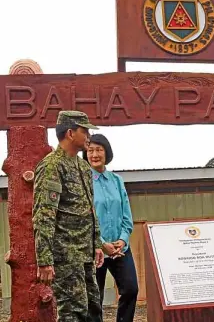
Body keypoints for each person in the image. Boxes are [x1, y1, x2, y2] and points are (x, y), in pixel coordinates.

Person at [32, 110, 104, 322]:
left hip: (86, 254)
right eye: (85, 131)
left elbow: (89, 209)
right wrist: (44, 260)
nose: (89, 136)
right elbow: (43, 214)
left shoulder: (82, 166)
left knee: (93, 312)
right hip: (65, 258)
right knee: (73, 315)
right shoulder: (51, 166)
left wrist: (97, 244)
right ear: (71, 133)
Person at [84, 134, 138, 322]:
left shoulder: (117, 180)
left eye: (99, 149)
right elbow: (83, 218)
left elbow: (126, 215)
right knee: (94, 298)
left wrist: (122, 240)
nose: (94, 154)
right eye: (90, 150)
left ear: (107, 152)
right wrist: (101, 243)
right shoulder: (83, 181)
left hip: (120, 249)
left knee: (131, 288)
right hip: (95, 250)